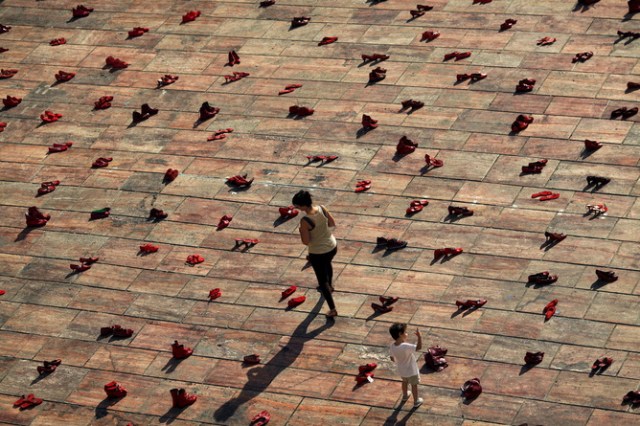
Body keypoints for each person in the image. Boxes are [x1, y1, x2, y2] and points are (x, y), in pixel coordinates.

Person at [292, 190, 338, 318]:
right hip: (332, 246)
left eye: (297, 206)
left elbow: (306, 241)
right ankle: (331, 286)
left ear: (302, 206)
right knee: (328, 264)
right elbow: (332, 224)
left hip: (318, 252)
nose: (297, 208)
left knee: (322, 282)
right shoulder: (322, 208)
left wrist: (302, 231)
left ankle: (332, 309)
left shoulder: (305, 220)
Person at [389, 323, 423, 408]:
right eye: (405, 332)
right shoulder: (405, 346)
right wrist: (419, 337)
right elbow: (418, 347)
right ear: (400, 334)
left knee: (404, 382)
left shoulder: (392, 346)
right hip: (411, 371)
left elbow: (392, 358)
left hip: (402, 370)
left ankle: (405, 395)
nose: (407, 334)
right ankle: (416, 401)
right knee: (414, 385)